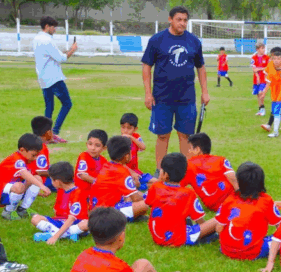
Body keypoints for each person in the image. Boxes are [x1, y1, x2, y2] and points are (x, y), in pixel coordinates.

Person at [142, 6, 209, 171]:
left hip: (186, 98)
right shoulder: (157, 40)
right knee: (163, 135)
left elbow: (201, 67)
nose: (183, 23)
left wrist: (205, 91)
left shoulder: (193, 41)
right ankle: (160, 171)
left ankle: (185, 172)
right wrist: (148, 94)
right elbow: (146, 67)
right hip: (162, 98)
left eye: (185, 20)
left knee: (185, 136)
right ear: (170, 19)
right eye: (179, 19)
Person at [215, 162, 281, 261]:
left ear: (239, 181)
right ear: (261, 182)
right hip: (253, 252)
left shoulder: (229, 199)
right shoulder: (266, 201)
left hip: (226, 250)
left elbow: (218, 228)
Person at [144, 152, 218, 247]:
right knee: (217, 219)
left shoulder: (155, 187)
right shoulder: (188, 193)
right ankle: (205, 236)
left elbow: (148, 203)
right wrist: (206, 230)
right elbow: (200, 220)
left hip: (157, 237)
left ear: (165, 174)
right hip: (178, 238)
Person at [0, 133, 52, 221]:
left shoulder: (29, 159)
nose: (35, 158)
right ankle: (8, 211)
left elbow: (33, 177)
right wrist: (42, 187)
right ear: (22, 150)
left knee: (37, 178)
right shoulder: (16, 159)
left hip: (13, 187)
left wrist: (37, 189)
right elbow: (24, 173)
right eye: (34, 155)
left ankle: (23, 209)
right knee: (20, 186)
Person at [33, 16, 76, 143]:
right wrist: (72, 50)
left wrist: (65, 52)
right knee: (67, 103)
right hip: (53, 78)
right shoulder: (47, 40)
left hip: (43, 77)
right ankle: (55, 132)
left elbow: (51, 55)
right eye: (53, 27)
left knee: (49, 107)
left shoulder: (37, 39)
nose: (55, 30)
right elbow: (62, 58)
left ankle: (45, 135)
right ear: (47, 26)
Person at [90, 135, 149, 221]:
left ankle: (130, 214)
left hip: (97, 207)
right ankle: (128, 217)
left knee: (130, 196)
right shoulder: (121, 171)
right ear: (126, 156)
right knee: (144, 205)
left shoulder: (108, 165)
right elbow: (136, 198)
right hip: (106, 212)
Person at [31, 162, 90, 244]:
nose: (51, 182)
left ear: (58, 182)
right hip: (59, 221)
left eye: (52, 180)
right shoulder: (61, 190)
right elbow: (57, 210)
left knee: (86, 224)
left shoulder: (77, 193)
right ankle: (69, 235)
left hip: (75, 222)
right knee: (35, 218)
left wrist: (55, 237)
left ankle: (53, 234)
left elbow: (71, 219)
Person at [181, 132, 238, 212]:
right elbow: (233, 177)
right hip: (234, 198)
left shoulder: (189, 165)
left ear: (197, 149)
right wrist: (241, 196)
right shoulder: (221, 159)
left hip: (216, 205)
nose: (188, 151)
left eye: (189, 148)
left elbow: (175, 187)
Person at [30, 116, 53, 191]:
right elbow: (39, 171)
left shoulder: (32, 142)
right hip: (42, 181)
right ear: (47, 132)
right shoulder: (41, 148)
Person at [251, 42, 270, 116]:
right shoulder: (253, 58)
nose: (264, 50)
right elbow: (254, 69)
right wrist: (259, 71)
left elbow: (268, 68)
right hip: (256, 79)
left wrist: (259, 69)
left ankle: (263, 109)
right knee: (258, 95)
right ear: (257, 49)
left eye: (264, 48)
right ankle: (260, 109)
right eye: (262, 48)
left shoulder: (267, 58)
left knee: (261, 93)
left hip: (264, 79)